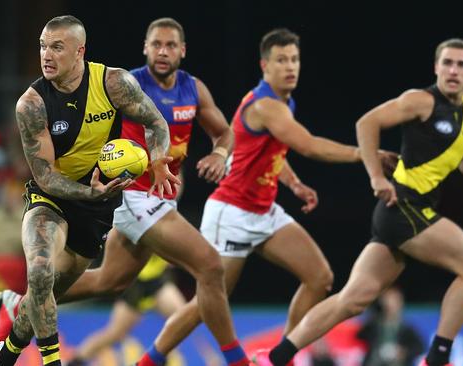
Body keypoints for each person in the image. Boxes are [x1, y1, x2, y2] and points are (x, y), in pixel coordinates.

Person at [0, 17, 252, 366]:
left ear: (79, 51)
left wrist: (164, 160)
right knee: (209, 267)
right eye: (42, 45)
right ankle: (235, 360)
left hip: (107, 202)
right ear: (145, 47)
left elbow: (167, 125)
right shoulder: (34, 104)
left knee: (103, 283)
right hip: (88, 196)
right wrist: (95, 192)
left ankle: (13, 326)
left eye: (56, 46)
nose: (46, 54)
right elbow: (46, 177)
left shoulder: (151, 85)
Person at [137, 28, 398, 366]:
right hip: (230, 213)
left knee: (320, 277)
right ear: (265, 66)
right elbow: (309, 145)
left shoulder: (284, 103)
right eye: (281, 61)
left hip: (263, 210)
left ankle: (279, 357)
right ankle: (148, 362)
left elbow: (271, 149)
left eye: (294, 60)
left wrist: (294, 183)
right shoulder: (265, 105)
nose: (290, 67)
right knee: (207, 304)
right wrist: (366, 153)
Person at [271, 38, 463, 366]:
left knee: (352, 300)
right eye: (447, 63)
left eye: (461, 65)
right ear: (436, 67)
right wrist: (376, 177)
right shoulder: (420, 101)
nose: (454, 70)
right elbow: (366, 123)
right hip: (404, 206)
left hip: (402, 214)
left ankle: (275, 357)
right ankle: (437, 358)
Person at [66, 255, 185, 365]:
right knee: (115, 333)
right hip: (135, 282)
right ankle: (75, 361)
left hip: (157, 280)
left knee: (182, 317)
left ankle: (160, 357)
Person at [357, 287, 424, 366]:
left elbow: (419, 347)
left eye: (395, 300)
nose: (391, 303)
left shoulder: (407, 328)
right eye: (388, 299)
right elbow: (359, 338)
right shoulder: (373, 324)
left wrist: (404, 352)